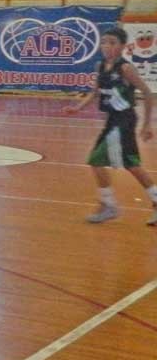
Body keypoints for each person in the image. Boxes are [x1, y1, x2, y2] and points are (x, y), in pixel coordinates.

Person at [65, 26, 157, 224]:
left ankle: (108, 206)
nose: (106, 46)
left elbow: (148, 94)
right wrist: (77, 108)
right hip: (113, 120)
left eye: (112, 42)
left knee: (96, 160)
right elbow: (94, 92)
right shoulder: (100, 66)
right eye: (104, 42)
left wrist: (147, 125)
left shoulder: (125, 68)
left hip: (124, 120)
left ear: (123, 46)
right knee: (131, 164)